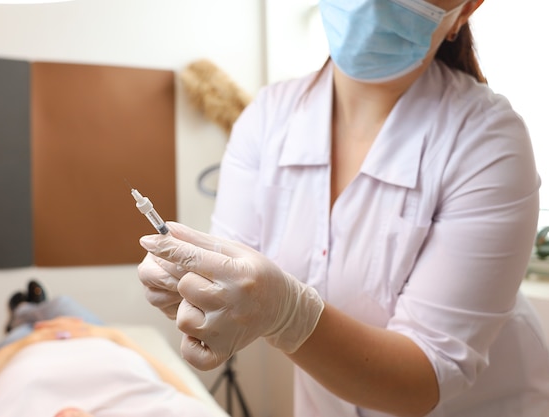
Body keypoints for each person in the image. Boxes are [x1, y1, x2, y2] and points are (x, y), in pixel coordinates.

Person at [137, 0, 549, 416]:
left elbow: (426, 375)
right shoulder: (266, 118)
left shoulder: (487, 139)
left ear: (466, 8)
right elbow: (230, 273)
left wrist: (287, 314)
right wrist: (193, 285)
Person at [0, 281, 218, 417]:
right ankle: (36, 303)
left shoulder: (19, 348)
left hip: (25, 349)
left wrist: (14, 349)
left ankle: (21, 310)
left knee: (25, 318)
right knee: (65, 305)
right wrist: (117, 338)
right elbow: (187, 396)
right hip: (91, 336)